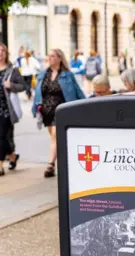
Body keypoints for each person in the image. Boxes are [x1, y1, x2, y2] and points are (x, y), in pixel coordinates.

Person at [32, 48, 86, 178]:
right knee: (56, 139)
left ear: (59, 59)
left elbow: (78, 91)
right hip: (47, 111)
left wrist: (86, 104)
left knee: (56, 136)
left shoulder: (67, 74)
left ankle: (50, 165)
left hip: (61, 110)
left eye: (52, 56)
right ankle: (64, 161)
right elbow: (39, 91)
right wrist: (36, 107)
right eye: (48, 56)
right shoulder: (43, 73)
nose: (49, 58)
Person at [0, 43, 26, 175]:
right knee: (4, 138)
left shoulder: (12, 70)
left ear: (6, 53)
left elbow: (23, 86)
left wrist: (11, 85)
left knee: (1, 136)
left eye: (2, 51)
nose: (0, 53)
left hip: (6, 110)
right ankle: (12, 156)